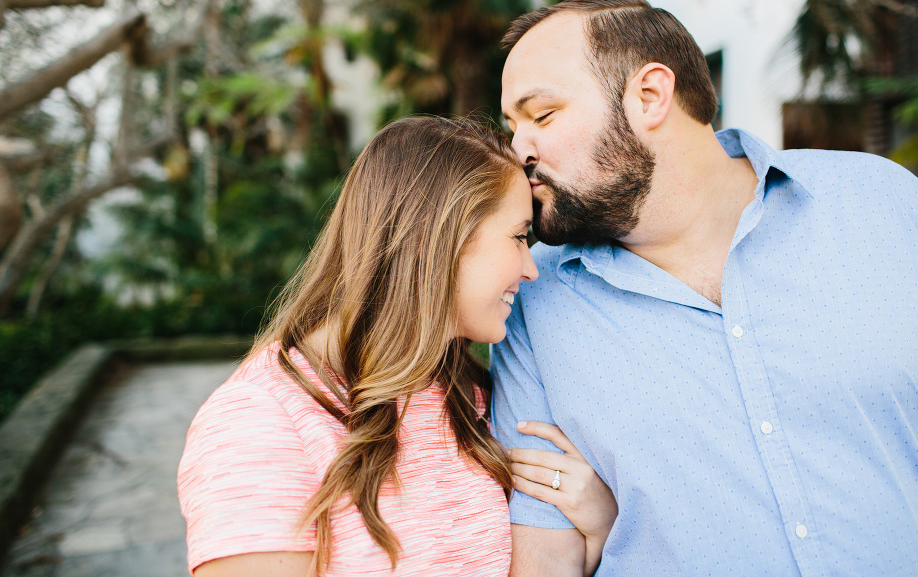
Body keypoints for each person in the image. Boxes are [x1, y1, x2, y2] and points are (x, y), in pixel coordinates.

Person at [491, 0, 918, 576]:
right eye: (513, 126)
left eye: (543, 116)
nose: (518, 152)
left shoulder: (885, 204)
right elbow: (545, 551)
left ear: (649, 96)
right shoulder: (532, 302)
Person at [177, 117, 617, 577]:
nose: (531, 269)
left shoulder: (468, 393)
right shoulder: (257, 420)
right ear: (441, 239)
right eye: (518, 237)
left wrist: (600, 529)